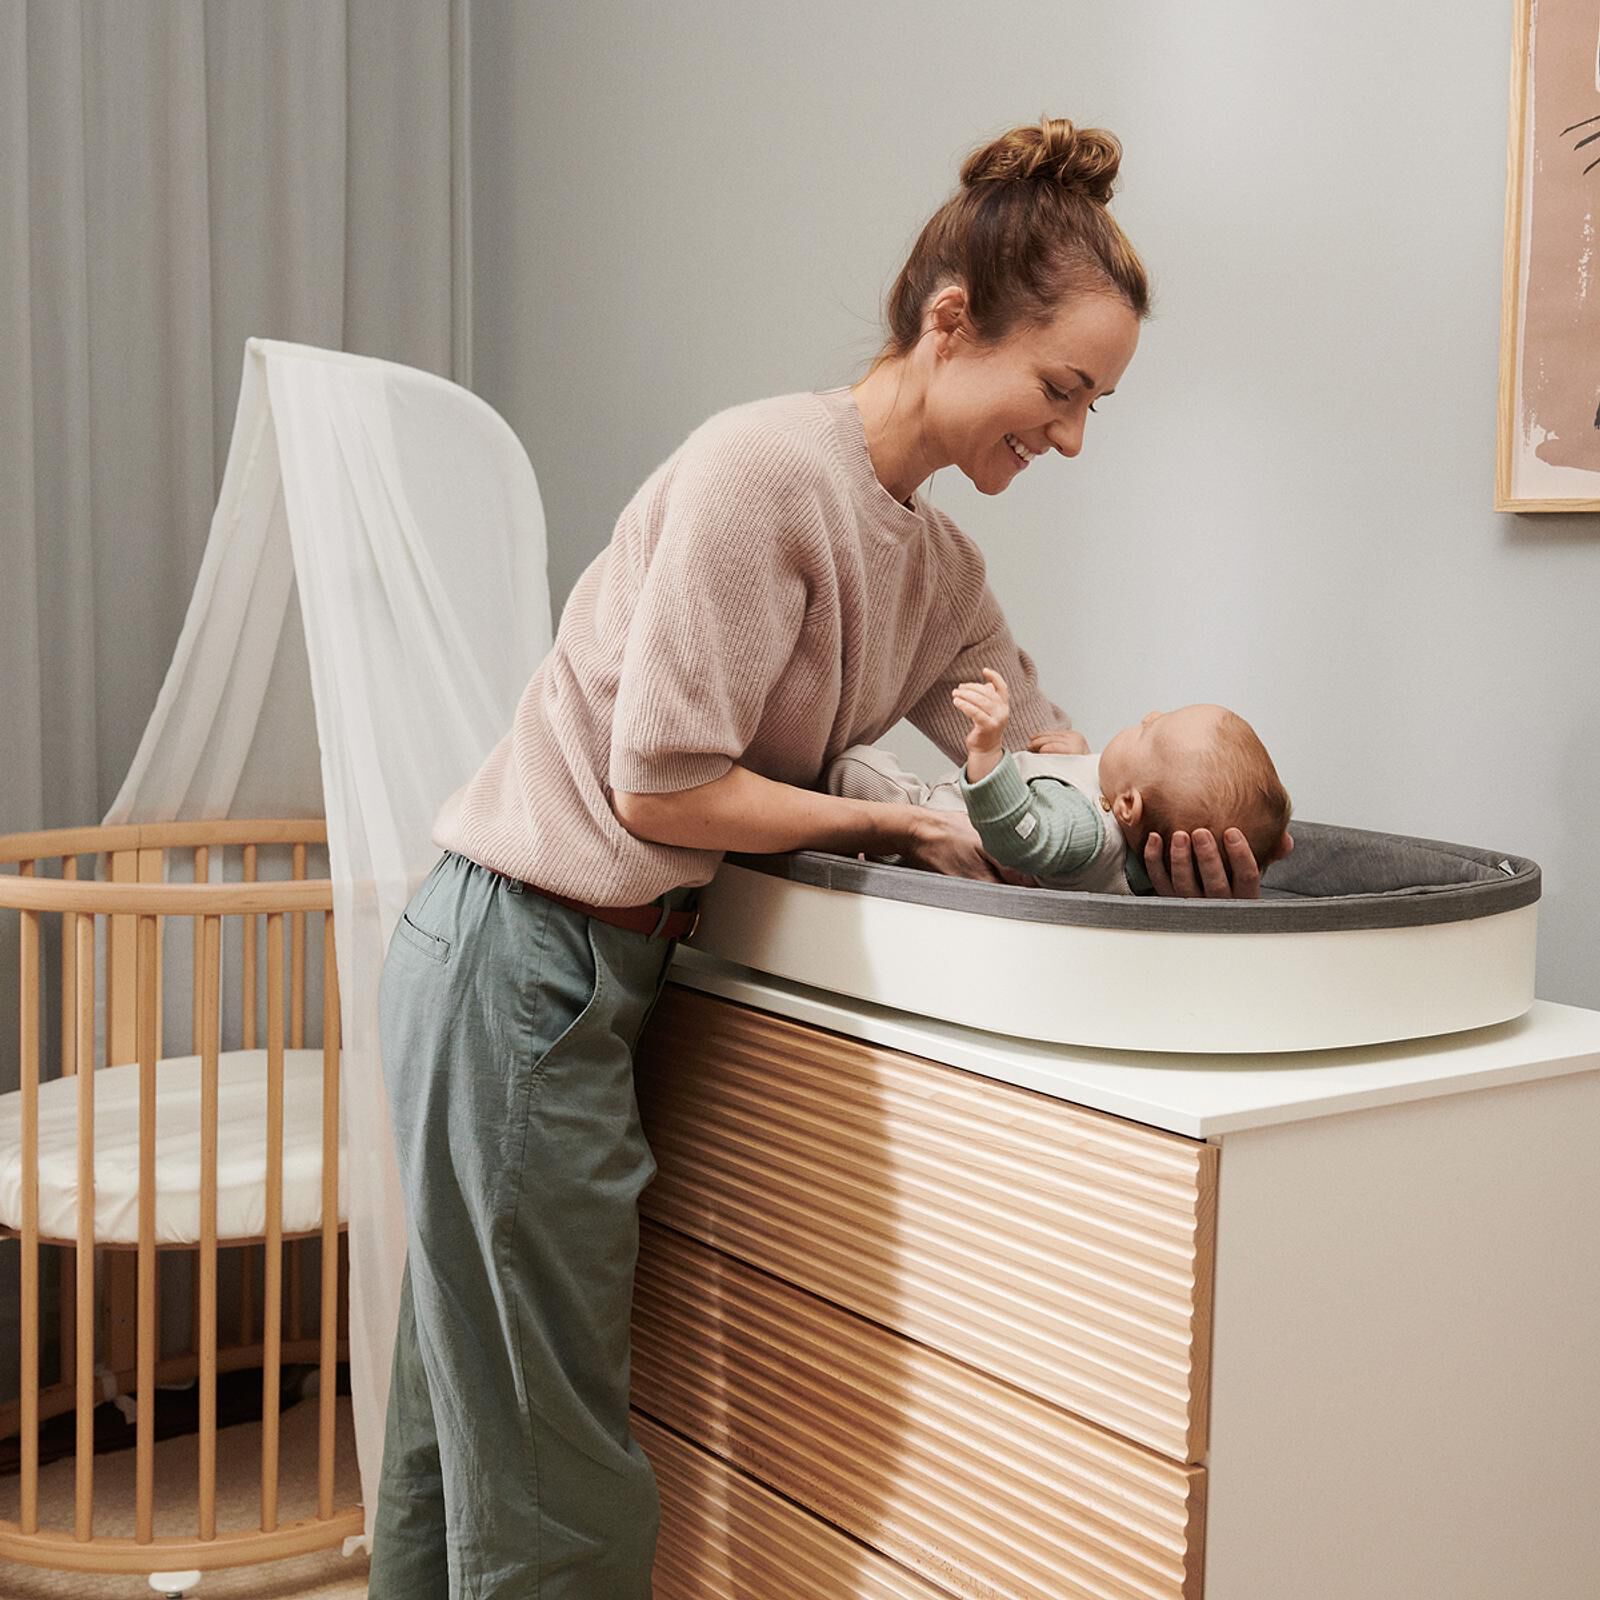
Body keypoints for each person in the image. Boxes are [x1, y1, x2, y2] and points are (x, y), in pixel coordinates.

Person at [369, 115, 1284, 1600]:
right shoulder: (760, 476)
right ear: (948, 322)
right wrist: (895, 815)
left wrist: (1174, 807)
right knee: (553, 1475)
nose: (1068, 437)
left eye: (1094, 409)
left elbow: (1046, 774)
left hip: (580, 976)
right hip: (515, 961)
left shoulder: (939, 571)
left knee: (461, 1434)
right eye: (1061, 390)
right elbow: (661, 788)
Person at [826, 668, 1292, 893]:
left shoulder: (1083, 835)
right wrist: (1078, 761)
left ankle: (866, 844)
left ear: (1127, 805)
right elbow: (1087, 793)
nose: (1148, 715)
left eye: (1151, 730)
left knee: (856, 765)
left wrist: (989, 753)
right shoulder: (1116, 818)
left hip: (933, 820)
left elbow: (1022, 834)